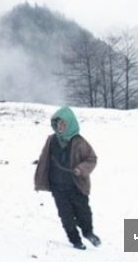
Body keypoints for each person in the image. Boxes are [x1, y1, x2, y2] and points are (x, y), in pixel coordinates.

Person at [34, 106, 100, 250]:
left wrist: (80, 169)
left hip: (76, 185)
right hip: (57, 186)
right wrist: (40, 173)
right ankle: (75, 240)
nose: (61, 127)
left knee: (83, 212)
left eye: (64, 124)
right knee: (66, 216)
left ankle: (88, 232)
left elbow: (91, 159)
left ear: (70, 124)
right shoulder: (51, 140)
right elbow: (44, 158)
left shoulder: (79, 142)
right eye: (58, 124)